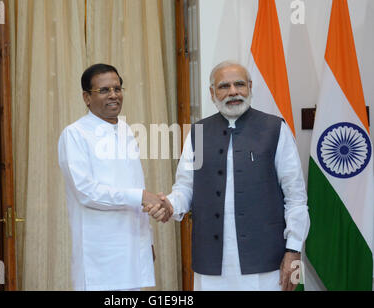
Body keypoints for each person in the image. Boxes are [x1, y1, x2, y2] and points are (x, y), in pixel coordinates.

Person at [146, 61, 310, 291]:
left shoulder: (274, 129)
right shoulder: (199, 134)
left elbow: (295, 196)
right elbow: (186, 188)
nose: (233, 92)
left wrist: (293, 250)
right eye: (224, 86)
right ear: (212, 93)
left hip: (265, 260)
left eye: (239, 84)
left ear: (250, 87)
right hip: (212, 261)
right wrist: (170, 205)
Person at [58, 63, 162, 291]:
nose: (114, 95)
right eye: (104, 90)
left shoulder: (124, 130)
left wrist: (147, 242)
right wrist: (141, 196)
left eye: (117, 88)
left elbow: (134, 185)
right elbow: (86, 193)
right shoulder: (75, 134)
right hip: (101, 258)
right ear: (86, 97)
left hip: (134, 248)